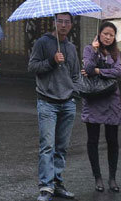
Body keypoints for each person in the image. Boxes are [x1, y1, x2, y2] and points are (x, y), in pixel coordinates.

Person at [28, 12, 80, 201]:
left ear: (71, 25)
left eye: (67, 22)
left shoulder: (71, 48)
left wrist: (74, 93)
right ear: (54, 23)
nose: (64, 25)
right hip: (47, 101)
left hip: (67, 103)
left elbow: (75, 75)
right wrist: (51, 61)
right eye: (60, 21)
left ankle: (57, 182)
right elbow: (32, 67)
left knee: (62, 147)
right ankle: (45, 187)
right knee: (47, 147)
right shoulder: (43, 43)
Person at [82, 21, 121, 192]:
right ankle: (97, 177)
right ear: (99, 33)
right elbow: (88, 67)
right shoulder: (88, 49)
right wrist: (93, 51)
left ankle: (112, 178)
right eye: (105, 33)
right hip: (93, 98)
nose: (108, 37)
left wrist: (99, 72)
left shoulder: (115, 53)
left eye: (111, 35)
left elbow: (118, 72)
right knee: (93, 140)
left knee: (112, 140)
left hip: (111, 101)